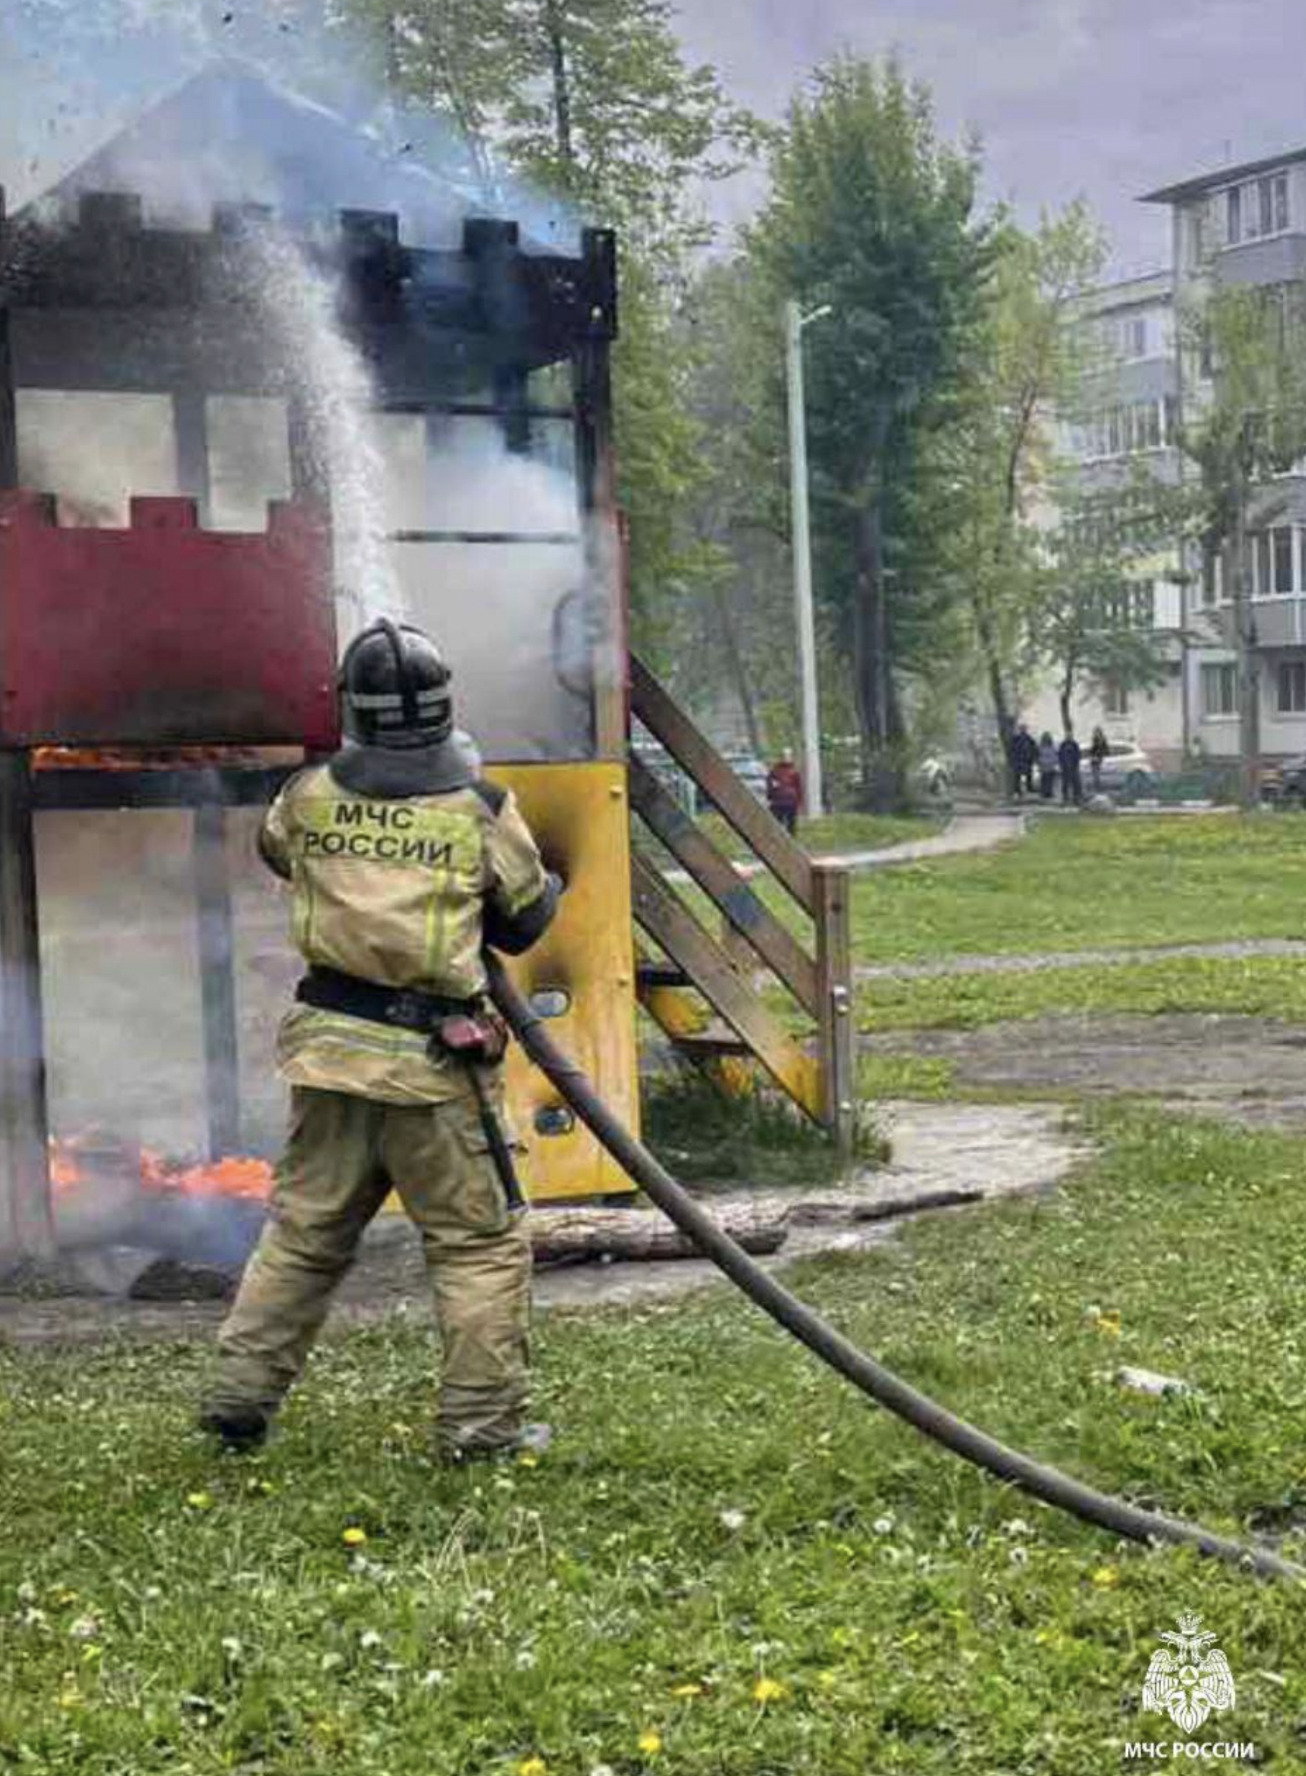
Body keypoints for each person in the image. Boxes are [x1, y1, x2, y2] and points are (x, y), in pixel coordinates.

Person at [199, 618, 561, 1463]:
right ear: (443, 711)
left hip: (329, 1056)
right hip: (434, 1070)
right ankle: (481, 1431)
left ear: (350, 712)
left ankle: (237, 1400)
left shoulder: (307, 796)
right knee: (477, 1245)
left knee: (303, 1233)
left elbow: (282, 857)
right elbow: (521, 921)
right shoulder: (482, 809)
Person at [766, 750, 803, 834]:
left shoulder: (794, 772)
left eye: (787, 756)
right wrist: (770, 796)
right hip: (779, 801)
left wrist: (798, 801)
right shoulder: (775, 771)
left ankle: (789, 840)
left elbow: (798, 787)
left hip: (789, 801)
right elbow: (770, 785)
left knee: (790, 824)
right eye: (784, 756)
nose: (785, 758)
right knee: (778, 824)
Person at [1011, 724, 1038, 799]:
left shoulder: (1028, 739)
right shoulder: (1018, 739)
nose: (1023, 730)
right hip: (1021, 760)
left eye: (1024, 729)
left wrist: (1033, 758)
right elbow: (1012, 750)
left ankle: (1026, 789)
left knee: (1026, 776)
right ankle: (1018, 791)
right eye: (1022, 729)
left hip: (1025, 760)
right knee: (1018, 777)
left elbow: (1034, 749)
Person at [1058, 729, 1083, 806]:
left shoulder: (1074, 744)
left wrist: (1076, 764)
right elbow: (1060, 755)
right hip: (1065, 767)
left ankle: (1076, 798)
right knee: (1065, 783)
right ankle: (1065, 798)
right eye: (1067, 735)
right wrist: (1062, 765)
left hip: (1073, 767)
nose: (1068, 737)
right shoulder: (1063, 745)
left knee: (1076, 783)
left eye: (1070, 735)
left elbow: (1078, 755)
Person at [1037, 731, 1059, 800]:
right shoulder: (1041, 747)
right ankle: (1045, 792)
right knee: (1046, 780)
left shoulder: (1050, 747)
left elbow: (1055, 756)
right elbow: (1039, 756)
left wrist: (1054, 762)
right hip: (1046, 766)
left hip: (1048, 766)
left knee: (1048, 780)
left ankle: (1048, 792)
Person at [1089, 726, 1109, 794]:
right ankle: (1097, 788)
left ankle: (1098, 789)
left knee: (1097, 775)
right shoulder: (1095, 740)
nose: (1094, 733)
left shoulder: (1101, 741)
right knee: (1095, 775)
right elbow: (1091, 751)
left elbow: (1105, 751)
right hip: (1095, 761)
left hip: (1099, 760)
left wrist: (1097, 756)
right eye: (1095, 732)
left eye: (1096, 732)